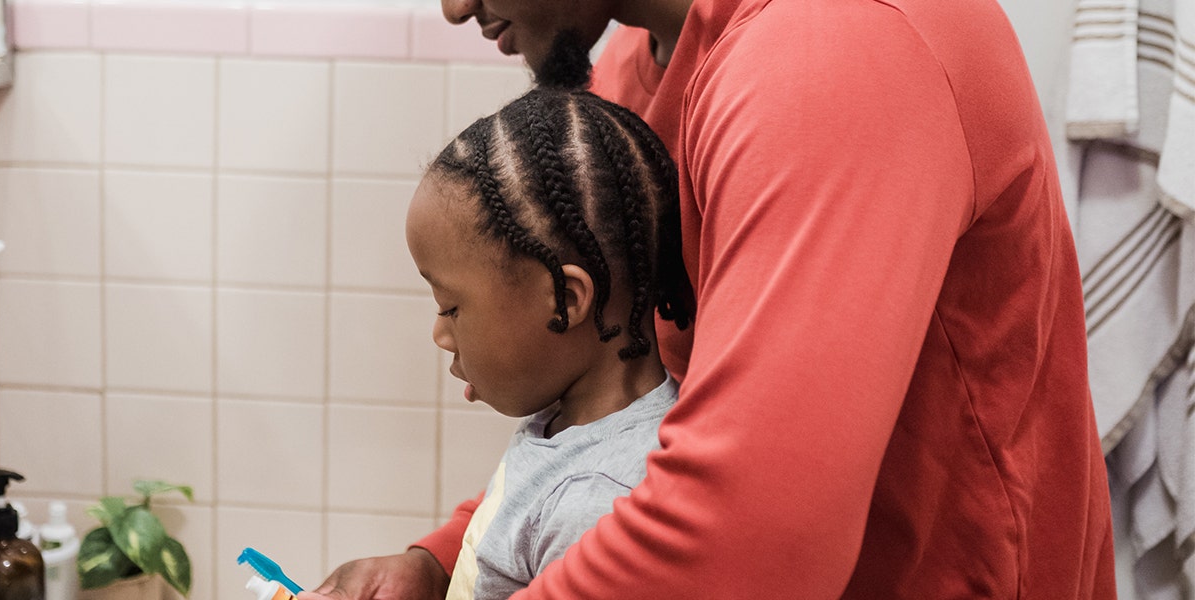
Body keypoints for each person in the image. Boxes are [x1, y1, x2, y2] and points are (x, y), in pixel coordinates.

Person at [302, 0, 1118, 597]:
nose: (452, 9)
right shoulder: (638, 74)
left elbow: (756, 537)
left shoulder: (839, 46)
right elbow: (631, 424)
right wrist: (448, 559)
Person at [410, 86, 691, 600]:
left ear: (565, 300)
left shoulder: (597, 502)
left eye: (452, 308)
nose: (440, 333)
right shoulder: (565, 426)